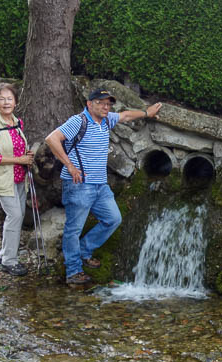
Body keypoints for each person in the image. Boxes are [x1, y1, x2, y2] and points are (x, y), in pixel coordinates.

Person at [45, 89, 163, 285]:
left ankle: (84, 250)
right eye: (101, 103)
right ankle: (73, 271)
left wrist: (146, 113)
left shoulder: (106, 120)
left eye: (108, 104)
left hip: (100, 185)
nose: (106, 107)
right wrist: (70, 165)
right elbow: (52, 139)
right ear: (90, 104)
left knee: (113, 219)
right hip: (79, 185)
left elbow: (125, 115)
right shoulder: (78, 121)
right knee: (73, 229)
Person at [0, 82, 34, 277]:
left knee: (15, 217)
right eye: (1, 99)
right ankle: (9, 261)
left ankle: (4, 254)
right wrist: (20, 159)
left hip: (19, 178)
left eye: (9, 98)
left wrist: (26, 154)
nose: (6, 102)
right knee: (15, 216)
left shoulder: (17, 122)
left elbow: (17, 146)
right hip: (4, 179)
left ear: (15, 101)